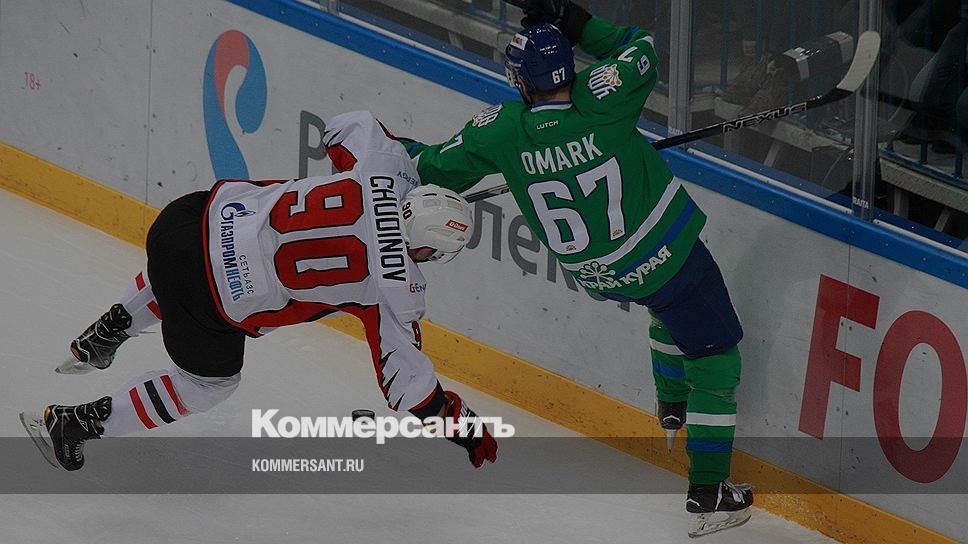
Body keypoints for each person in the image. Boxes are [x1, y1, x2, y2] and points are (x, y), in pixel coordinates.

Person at [401, 0, 750, 537]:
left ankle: (672, 406)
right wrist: (577, 21)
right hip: (666, 259)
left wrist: (387, 151)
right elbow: (641, 46)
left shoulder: (501, 130)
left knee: (665, 307)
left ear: (520, 82)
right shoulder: (604, 96)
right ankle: (710, 492)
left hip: (600, 275)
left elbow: (430, 166)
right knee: (715, 357)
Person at [20, 111, 497, 473]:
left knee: (195, 254)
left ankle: (114, 325)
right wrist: (465, 428)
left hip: (184, 220)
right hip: (209, 299)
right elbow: (410, 389)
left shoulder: (382, 165)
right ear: (429, 249)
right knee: (209, 384)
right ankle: (77, 423)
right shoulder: (394, 293)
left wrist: (403, 168)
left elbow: (344, 127)